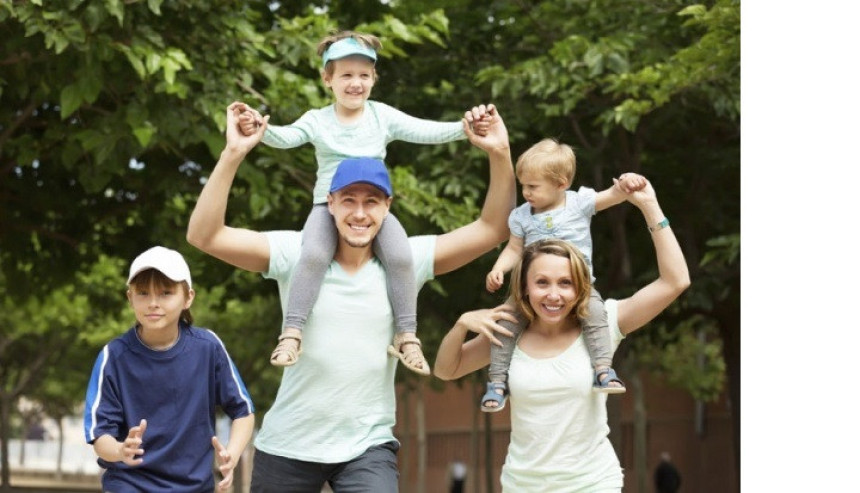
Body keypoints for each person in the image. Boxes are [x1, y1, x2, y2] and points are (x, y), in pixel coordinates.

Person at [186, 102, 514, 492]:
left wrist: (500, 153)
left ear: (387, 207)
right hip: (289, 444)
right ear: (331, 204)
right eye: (349, 201)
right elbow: (204, 236)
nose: (360, 214)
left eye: (372, 201)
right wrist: (233, 154)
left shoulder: (406, 261)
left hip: (367, 446)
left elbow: (493, 227)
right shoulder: (296, 253)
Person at [234, 30, 488, 374]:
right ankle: (292, 332)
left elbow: (425, 131)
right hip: (329, 209)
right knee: (312, 255)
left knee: (400, 257)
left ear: (374, 79)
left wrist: (465, 127)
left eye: (364, 76)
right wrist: (259, 128)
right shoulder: (317, 119)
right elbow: (287, 137)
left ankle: (407, 337)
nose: (356, 83)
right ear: (328, 79)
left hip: (372, 209)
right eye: (347, 75)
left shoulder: (381, 116)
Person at [434, 179, 690, 491]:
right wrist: (461, 325)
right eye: (542, 282)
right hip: (523, 485)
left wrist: (650, 206)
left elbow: (675, 282)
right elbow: (447, 370)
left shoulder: (603, 324)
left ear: (580, 286)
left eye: (565, 283)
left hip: (593, 483)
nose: (553, 295)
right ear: (525, 288)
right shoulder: (506, 333)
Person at [480, 137, 647, 412]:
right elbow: (513, 248)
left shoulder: (579, 203)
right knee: (504, 324)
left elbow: (614, 195)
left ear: (561, 184)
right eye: (523, 185)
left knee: (596, 314)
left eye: (533, 187)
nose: (526, 192)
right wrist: (498, 268)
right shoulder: (522, 216)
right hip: (531, 289)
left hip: (577, 286)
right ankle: (497, 382)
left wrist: (628, 182)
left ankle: (603, 369)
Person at [83, 246, 256, 493]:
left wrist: (232, 453)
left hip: (195, 486)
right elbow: (100, 436)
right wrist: (121, 450)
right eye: (143, 293)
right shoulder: (113, 357)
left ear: (188, 298)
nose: (153, 303)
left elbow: (243, 411)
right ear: (130, 298)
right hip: (130, 485)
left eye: (166, 293)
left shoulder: (208, 348)